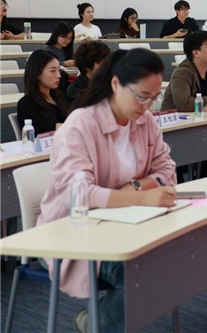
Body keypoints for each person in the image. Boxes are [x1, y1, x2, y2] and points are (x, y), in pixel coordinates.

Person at [37, 48, 177, 333]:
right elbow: (78, 195)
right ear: (115, 84)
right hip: (72, 231)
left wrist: (135, 186)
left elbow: (167, 170)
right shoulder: (80, 125)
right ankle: (97, 323)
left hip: (127, 224)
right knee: (141, 272)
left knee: (176, 258)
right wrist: (142, 197)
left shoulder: (145, 120)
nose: (147, 106)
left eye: (154, 98)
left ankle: (96, 320)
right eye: (141, 96)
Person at [162, 30, 207, 180]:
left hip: (204, 123)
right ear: (196, 53)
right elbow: (183, 104)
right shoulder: (182, 72)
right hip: (177, 127)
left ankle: (206, 179)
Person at [17, 49, 69, 135]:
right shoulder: (26, 103)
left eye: (59, 70)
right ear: (38, 74)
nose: (59, 75)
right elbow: (41, 127)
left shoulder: (61, 96)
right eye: (53, 71)